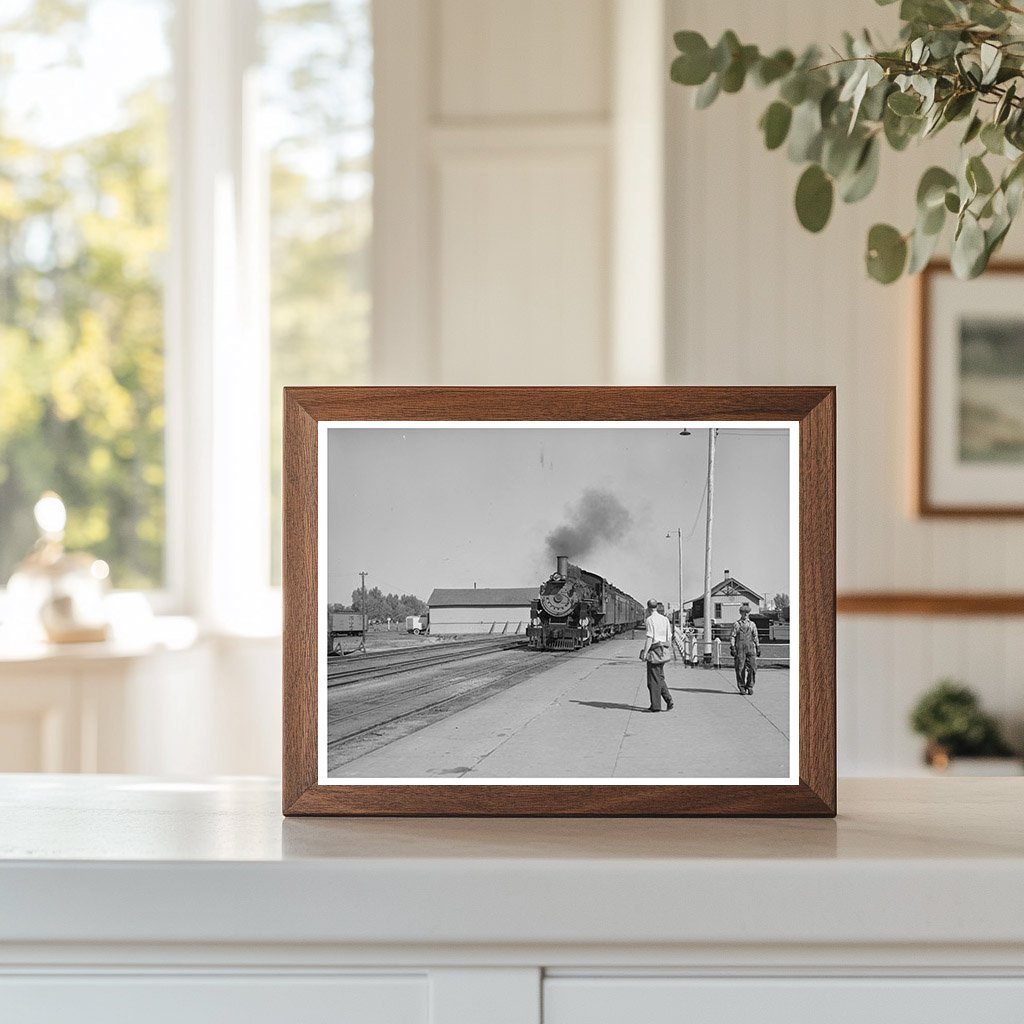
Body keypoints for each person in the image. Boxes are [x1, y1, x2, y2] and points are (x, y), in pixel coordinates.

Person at [640, 599, 673, 712]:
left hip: (654, 650)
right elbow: (669, 637)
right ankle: (668, 700)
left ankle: (656, 706)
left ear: (648, 607)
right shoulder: (665, 619)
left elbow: (650, 637)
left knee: (653, 680)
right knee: (659, 677)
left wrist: (645, 652)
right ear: (657, 607)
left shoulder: (649, 620)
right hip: (664, 650)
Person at [730, 602, 761, 695]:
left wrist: (758, 646)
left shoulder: (752, 624)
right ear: (741, 613)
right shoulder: (736, 624)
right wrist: (732, 647)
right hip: (740, 648)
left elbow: (755, 636)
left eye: (747, 612)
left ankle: (750, 686)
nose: (746, 614)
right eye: (744, 612)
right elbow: (732, 636)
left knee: (753, 667)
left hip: (750, 647)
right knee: (740, 668)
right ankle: (742, 687)